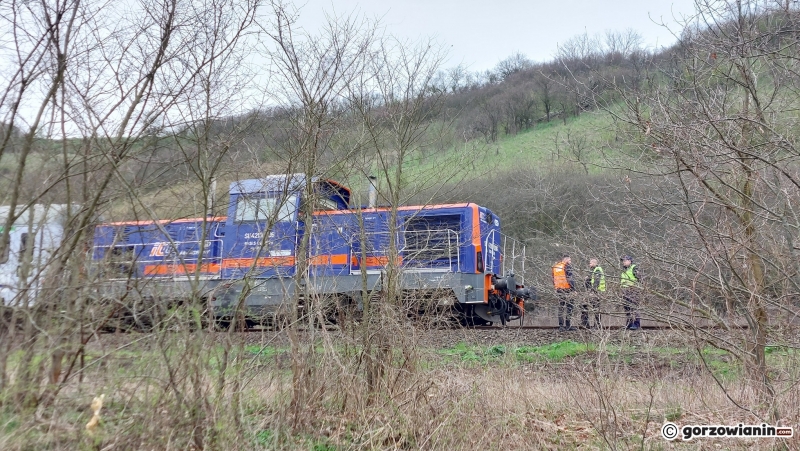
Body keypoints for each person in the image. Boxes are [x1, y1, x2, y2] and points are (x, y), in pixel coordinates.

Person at [552, 253, 576, 331]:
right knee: (569, 307)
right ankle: (568, 325)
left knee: (561, 307)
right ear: (565, 260)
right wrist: (574, 289)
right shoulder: (567, 266)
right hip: (568, 289)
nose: (570, 261)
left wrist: (556, 287)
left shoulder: (556, 267)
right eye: (569, 260)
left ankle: (561, 326)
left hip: (559, 290)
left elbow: (553, 278)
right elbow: (570, 278)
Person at [581, 258, 605, 328]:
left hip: (596, 292)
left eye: (591, 263)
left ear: (595, 263)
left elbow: (596, 282)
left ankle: (596, 324)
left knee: (595, 307)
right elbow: (589, 281)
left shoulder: (597, 270)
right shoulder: (592, 271)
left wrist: (592, 291)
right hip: (592, 292)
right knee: (586, 305)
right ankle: (587, 323)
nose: (589, 264)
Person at [620, 255, 642, 330]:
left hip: (633, 291)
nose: (623, 262)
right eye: (623, 261)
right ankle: (629, 324)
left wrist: (636, 288)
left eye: (625, 260)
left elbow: (640, 279)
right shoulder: (624, 270)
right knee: (627, 308)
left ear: (630, 261)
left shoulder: (634, 268)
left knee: (634, 308)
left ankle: (636, 324)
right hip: (625, 291)